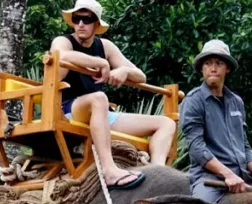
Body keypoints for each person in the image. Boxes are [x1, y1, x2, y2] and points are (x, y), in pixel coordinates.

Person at [50, 0, 177, 189]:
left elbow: (140, 75)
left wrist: (124, 71)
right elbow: (60, 55)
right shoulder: (64, 41)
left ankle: (156, 173)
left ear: (97, 24)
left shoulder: (105, 46)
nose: (81, 24)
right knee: (99, 98)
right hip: (68, 109)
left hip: (101, 113)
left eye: (87, 19)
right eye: (77, 19)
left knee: (166, 123)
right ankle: (109, 169)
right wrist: (100, 63)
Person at [179, 39, 252, 203]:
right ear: (201, 68)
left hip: (242, 176)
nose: (213, 68)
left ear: (227, 68)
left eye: (218, 63)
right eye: (207, 63)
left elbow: (244, 144)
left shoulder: (237, 102)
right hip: (210, 179)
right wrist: (228, 174)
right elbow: (196, 148)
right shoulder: (193, 101)